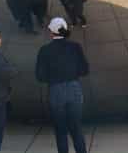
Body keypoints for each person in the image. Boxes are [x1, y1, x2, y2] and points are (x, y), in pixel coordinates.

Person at [35, 18, 90, 153]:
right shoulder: (75, 47)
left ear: (51, 32)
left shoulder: (45, 50)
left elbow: (40, 76)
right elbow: (85, 70)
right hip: (74, 89)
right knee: (76, 128)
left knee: (60, 131)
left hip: (55, 91)